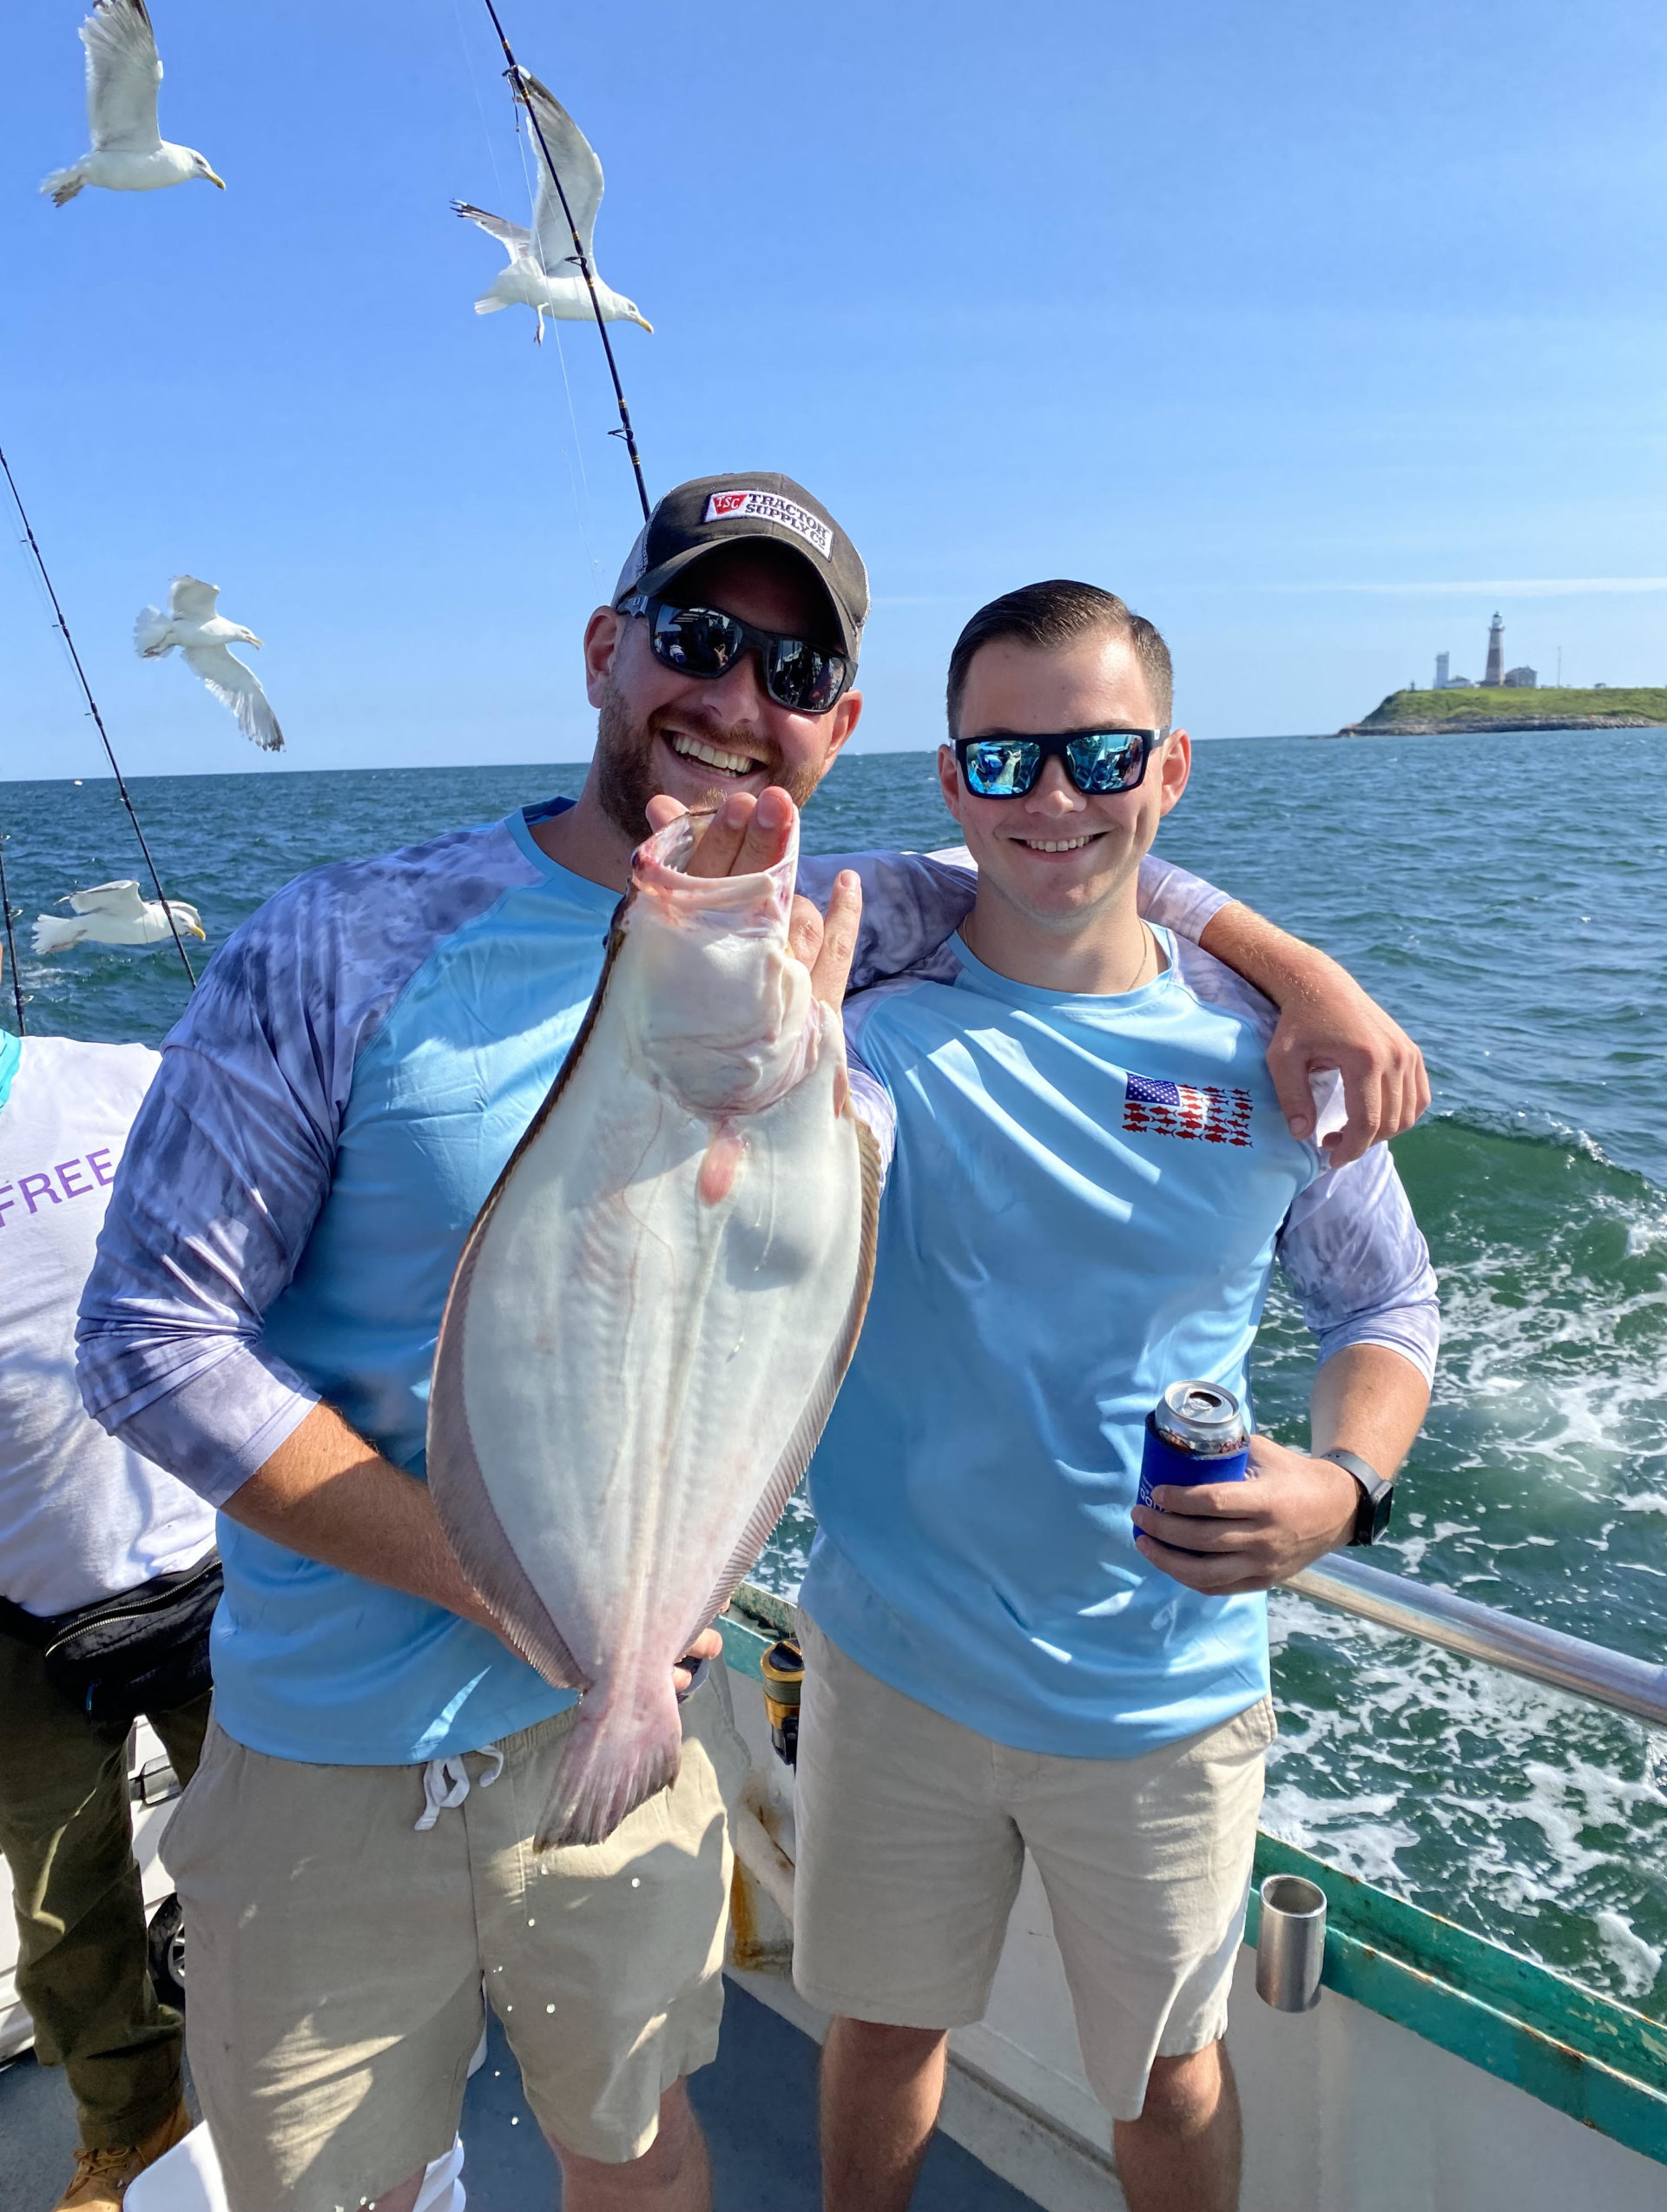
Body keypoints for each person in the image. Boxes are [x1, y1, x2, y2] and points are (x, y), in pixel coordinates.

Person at [77, 475, 1425, 2212]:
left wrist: (1288, 961)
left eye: (792, 671)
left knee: (639, 2151)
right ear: (603, 650)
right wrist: (493, 1579)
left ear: (841, 729)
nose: (735, 699)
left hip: (656, 1742)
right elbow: (145, 1338)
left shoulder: (825, 926)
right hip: (335, 1741)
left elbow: (1063, 852)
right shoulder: (343, 937)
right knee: (336, 2189)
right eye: (698, 639)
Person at [788, 581, 1440, 2212]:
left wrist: (1343, 1486)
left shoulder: (1277, 1059)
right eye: (1006, 762)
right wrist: (1275, 937)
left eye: (1100, 753)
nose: (1059, 799)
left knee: (1166, 2069)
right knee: (879, 2030)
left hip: (1160, 1699)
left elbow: (1385, 1300)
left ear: (1171, 765)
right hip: (892, 1659)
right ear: (950, 784)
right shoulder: (858, 1023)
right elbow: (721, 917)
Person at [0, 979, 219, 2212]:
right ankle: (128, 2130)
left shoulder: (133, 1079)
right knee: (61, 1903)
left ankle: (305, 2084)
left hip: (220, 1572)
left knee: (287, 1859)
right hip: (11, 1624)